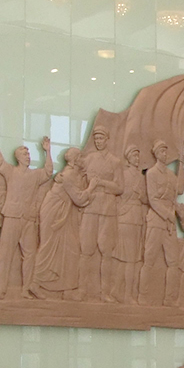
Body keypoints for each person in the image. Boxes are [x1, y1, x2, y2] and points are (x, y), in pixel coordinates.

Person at [0, 120, 51, 298]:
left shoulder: (35, 175)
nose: (28, 156)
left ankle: (26, 289)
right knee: (5, 252)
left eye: (28, 154)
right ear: (18, 158)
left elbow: (48, 171)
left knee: (30, 254)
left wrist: (48, 151)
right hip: (12, 216)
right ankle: (0, 289)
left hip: (28, 219)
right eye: (24, 154)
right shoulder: (10, 171)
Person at [32, 147, 91, 299]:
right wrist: (92, 187)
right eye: (80, 157)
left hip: (64, 213)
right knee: (48, 247)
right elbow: (79, 198)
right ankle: (35, 283)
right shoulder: (68, 175)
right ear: (75, 160)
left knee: (70, 249)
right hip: (54, 213)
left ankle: (67, 289)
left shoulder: (73, 173)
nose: (83, 160)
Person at [79, 124, 124, 302]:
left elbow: (120, 187)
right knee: (86, 250)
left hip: (107, 210)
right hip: (90, 208)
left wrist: (103, 183)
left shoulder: (115, 162)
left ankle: (105, 292)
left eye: (101, 138)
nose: (98, 141)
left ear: (107, 139)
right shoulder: (89, 159)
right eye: (96, 138)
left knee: (106, 252)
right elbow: (80, 181)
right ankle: (82, 290)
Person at [143, 139, 184, 305]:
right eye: (161, 151)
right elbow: (153, 199)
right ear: (156, 154)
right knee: (149, 259)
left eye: (166, 151)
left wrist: (181, 166)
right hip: (156, 221)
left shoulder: (171, 175)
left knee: (173, 262)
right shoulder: (151, 173)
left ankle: (170, 298)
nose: (164, 154)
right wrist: (168, 214)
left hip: (169, 225)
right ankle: (143, 295)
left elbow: (179, 189)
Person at [111, 144, 148, 301]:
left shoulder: (142, 177)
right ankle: (126, 294)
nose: (137, 158)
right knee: (128, 259)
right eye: (134, 155)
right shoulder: (124, 174)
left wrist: (140, 195)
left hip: (136, 219)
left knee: (129, 259)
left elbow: (146, 199)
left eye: (138, 156)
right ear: (128, 158)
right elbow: (118, 192)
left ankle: (117, 291)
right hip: (125, 219)